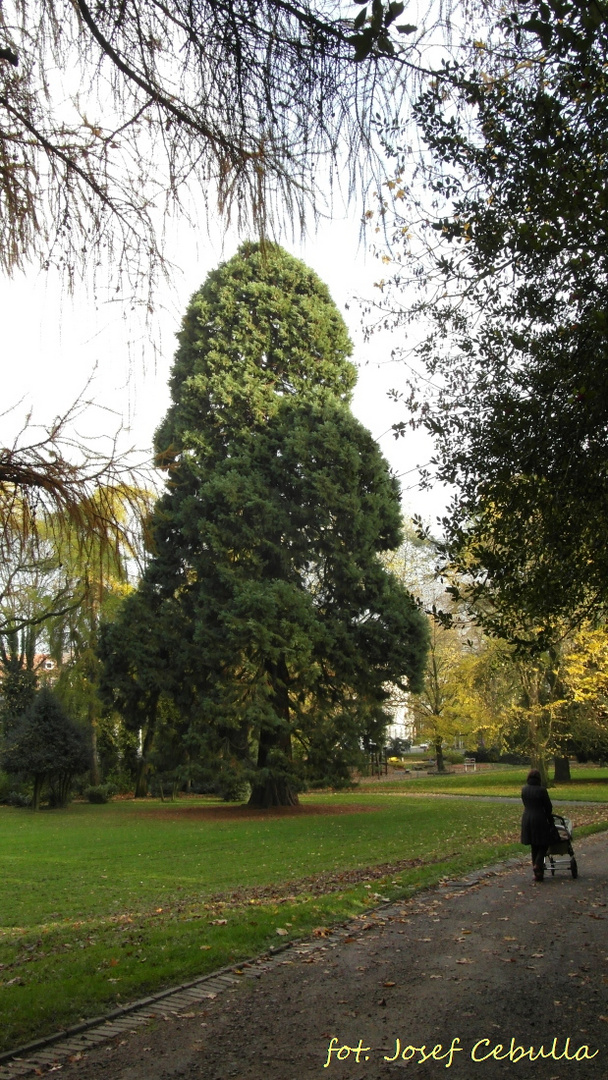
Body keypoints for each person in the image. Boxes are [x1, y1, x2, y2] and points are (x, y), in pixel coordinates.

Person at [521, 768, 554, 881]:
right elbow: (548, 807)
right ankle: (538, 864)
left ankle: (538, 874)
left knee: (534, 845)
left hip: (527, 818)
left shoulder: (524, 789)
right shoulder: (541, 790)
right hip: (539, 818)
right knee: (544, 843)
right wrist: (550, 819)